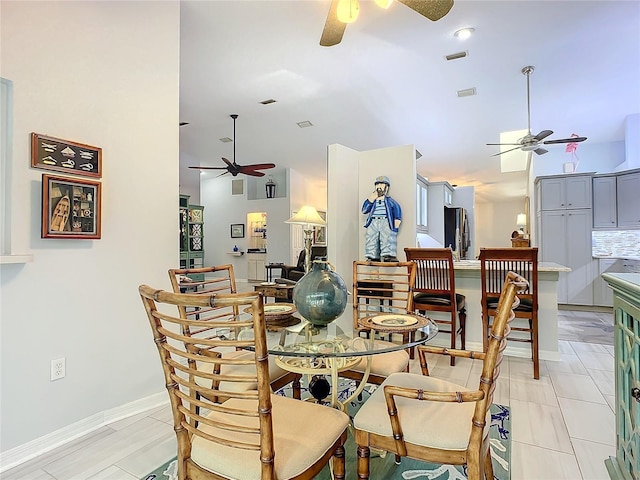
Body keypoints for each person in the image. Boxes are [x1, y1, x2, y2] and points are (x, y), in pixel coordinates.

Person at [362, 175, 402, 262]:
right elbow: (364, 210)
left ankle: (389, 255)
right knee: (371, 237)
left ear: (386, 187)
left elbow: (397, 208)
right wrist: (371, 199)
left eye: (382, 185)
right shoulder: (373, 200)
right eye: (377, 185)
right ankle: (372, 255)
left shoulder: (390, 201)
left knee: (387, 237)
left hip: (385, 221)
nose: (379, 187)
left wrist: (397, 220)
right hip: (373, 221)